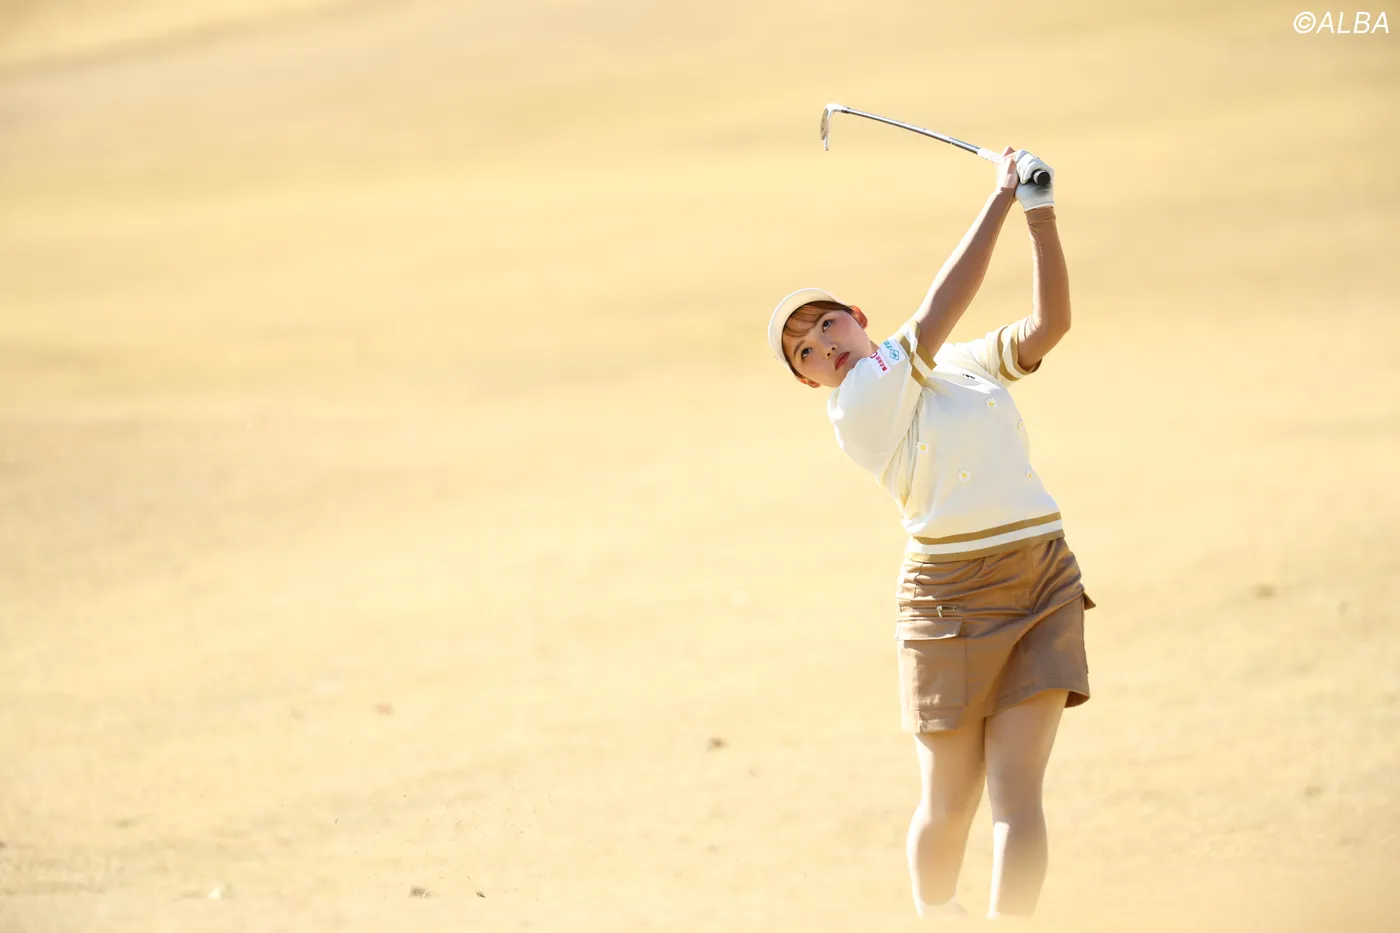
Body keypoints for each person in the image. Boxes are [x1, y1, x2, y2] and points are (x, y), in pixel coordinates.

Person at [765, 147, 1093, 920]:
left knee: (1017, 795)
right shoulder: (857, 403)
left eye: (827, 323)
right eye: (805, 350)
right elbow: (941, 306)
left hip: (1041, 577)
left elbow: (1050, 326)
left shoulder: (964, 365)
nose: (824, 344)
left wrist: (1039, 213)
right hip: (950, 601)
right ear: (809, 379)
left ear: (858, 317)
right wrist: (1000, 196)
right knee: (951, 802)